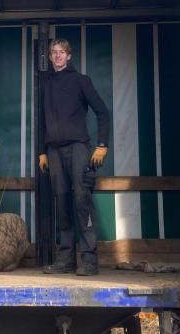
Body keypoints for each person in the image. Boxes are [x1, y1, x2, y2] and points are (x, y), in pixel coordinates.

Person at [37, 38, 110, 276]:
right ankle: (66, 259)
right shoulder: (46, 85)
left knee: (81, 199)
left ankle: (89, 260)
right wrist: (42, 152)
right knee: (62, 203)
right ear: (49, 57)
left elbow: (102, 112)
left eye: (62, 52)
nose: (57, 56)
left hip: (78, 148)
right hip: (54, 151)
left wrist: (102, 145)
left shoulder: (81, 81)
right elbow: (41, 122)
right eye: (53, 53)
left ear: (69, 56)